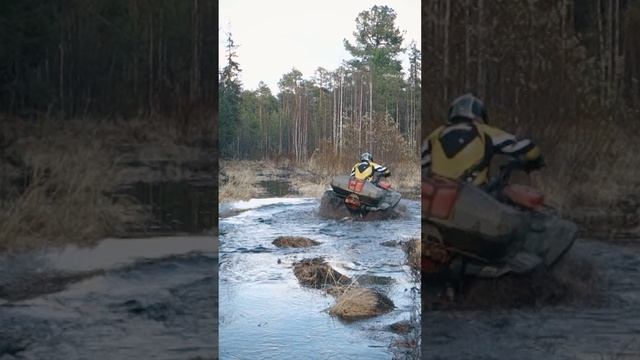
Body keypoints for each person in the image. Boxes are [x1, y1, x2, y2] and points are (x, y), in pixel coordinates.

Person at [422, 93, 544, 186]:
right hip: (473, 198)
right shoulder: (484, 131)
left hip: (438, 197)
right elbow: (527, 147)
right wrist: (535, 160)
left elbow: (420, 163)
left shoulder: (435, 134)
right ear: (480, 114)